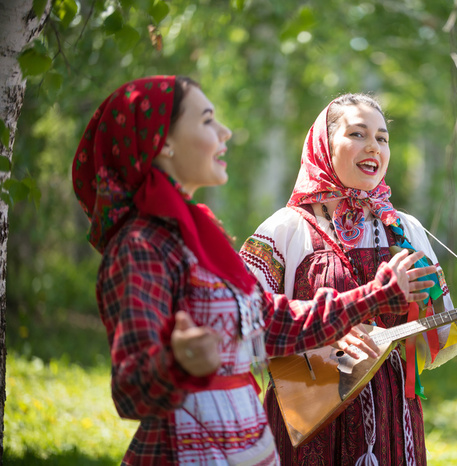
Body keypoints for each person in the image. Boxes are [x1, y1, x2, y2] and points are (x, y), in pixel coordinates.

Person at [71, 77, 436, 465]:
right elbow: (130, 391)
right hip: (186, 451)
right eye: (207, 120)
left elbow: (275, 323)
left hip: (245, 447)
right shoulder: (140, 246)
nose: (224, 131)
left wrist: (378, 296)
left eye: (383, 138)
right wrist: (175, 363)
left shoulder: (202, 236)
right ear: (164, 142)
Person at [241, 93, 457, 465]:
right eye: (357, 134)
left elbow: (426, 346)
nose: (373, 147)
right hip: (307, 418)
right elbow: (241, 320)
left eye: (382, 138)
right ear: (324, 143)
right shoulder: (285, 229)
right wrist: (324, 333)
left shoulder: (405, 231)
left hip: (393, 421)